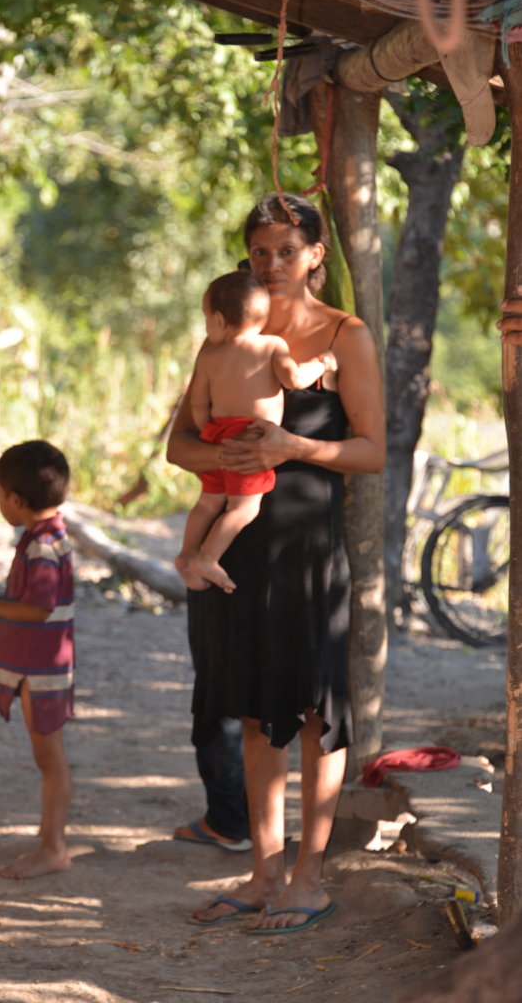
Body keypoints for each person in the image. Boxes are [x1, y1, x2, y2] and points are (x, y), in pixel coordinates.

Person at [168, 192, 385, 931]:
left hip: (306, 549)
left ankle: (309, 877)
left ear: (316, 253)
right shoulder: (229, 332)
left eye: (286, 249)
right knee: (257, 711)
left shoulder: (343, 335)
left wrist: (294, 447)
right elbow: (178, 445)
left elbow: (372, 450)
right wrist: (225, 451)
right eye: (260, 251)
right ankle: (262, 872)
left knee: (315, 713)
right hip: (236, 549)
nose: (271, 263)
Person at [175, 269, 337, 594]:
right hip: (250, 436)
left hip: (216, 433)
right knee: (244, 508)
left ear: (219, 320)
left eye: (206, 318)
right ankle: (208, 556)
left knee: (209, 502)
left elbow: (198, 402)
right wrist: (323, 362)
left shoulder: (209, 353)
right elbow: (294, 380)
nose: (207, 326)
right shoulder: (272, 346)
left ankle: (186, 554)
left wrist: (208, 428)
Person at [0, 439, 75, 880]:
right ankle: (51, 840)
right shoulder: (43, 536)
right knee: (49, 756)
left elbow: (39, 608)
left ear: (16, 500)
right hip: (39, 665)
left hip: (41, 669)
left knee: (50, 758)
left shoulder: (43, 545)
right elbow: (30, 599)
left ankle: (53, 847)